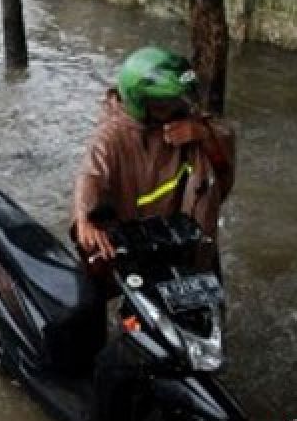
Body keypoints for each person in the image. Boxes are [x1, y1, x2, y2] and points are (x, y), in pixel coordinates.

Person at [71, 47, 236, 268]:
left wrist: (202, 133)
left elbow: (224, 146)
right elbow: (90, 175)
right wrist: (83, 218)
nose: (175, 107)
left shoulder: (188, 122)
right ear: (141, 101)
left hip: (179, 235)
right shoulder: (112, 136)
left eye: (177, 100)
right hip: (130, 237)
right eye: (165, 103)